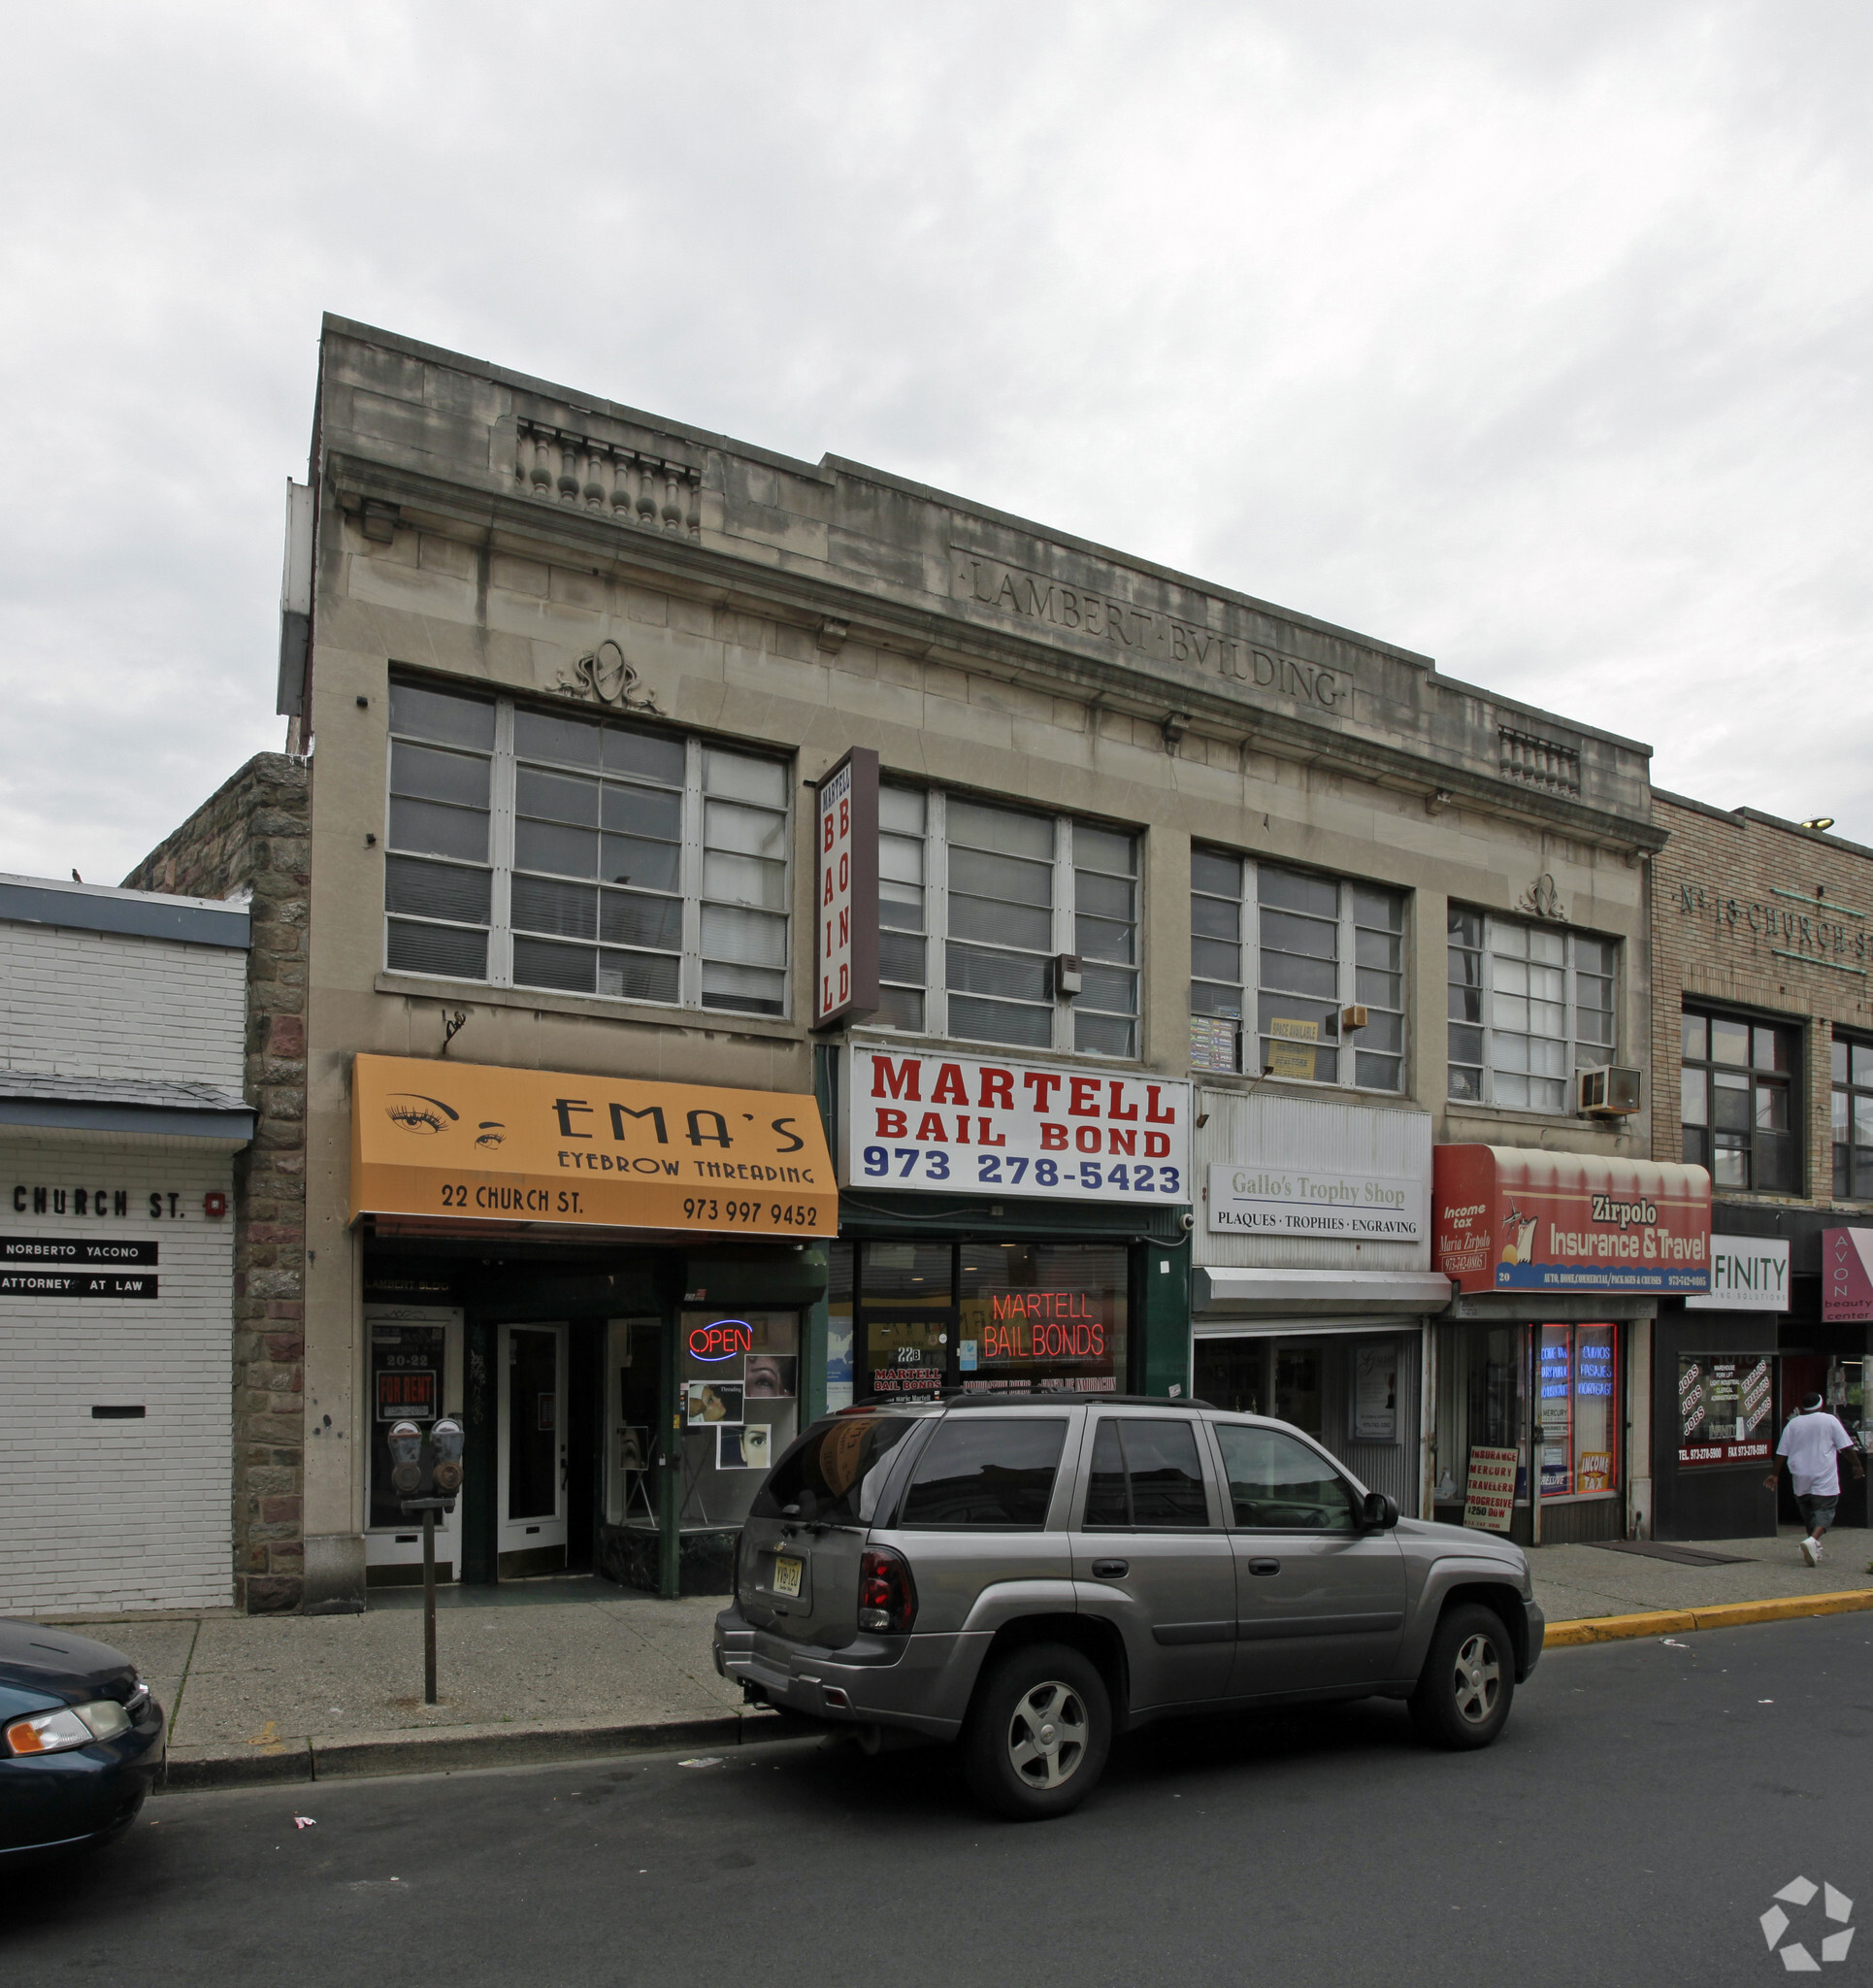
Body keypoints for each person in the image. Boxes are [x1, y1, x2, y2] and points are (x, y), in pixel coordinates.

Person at [1765, 1393, 1863, 1566]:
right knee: (1825, 1511)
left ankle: (1812, 1548)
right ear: (1821, 1404)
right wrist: (1856, 1464)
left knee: (1810, 1513)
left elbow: (1781, 1453)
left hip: (1800, 1476)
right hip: (1823, 1475)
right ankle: (1813, 1540)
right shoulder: (1830, 1420)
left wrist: (1775, 1474)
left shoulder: (1793, 1423)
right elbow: (1846, 1447)